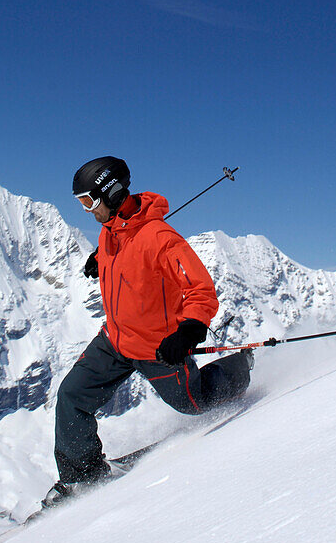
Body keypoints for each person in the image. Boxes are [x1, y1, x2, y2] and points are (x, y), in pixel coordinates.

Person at [43, 156, 253, 506]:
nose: (85, 210)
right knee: (71, 397)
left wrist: (188, 332)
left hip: (157, 347)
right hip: (114, 340)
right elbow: (126, 247)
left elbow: (200, 289)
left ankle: (241, 366)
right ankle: (82, 477)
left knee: (196, 402)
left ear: (109, 193)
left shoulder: (161, 238)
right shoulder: (110, 230)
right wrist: (100, 257)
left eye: (87, 201)